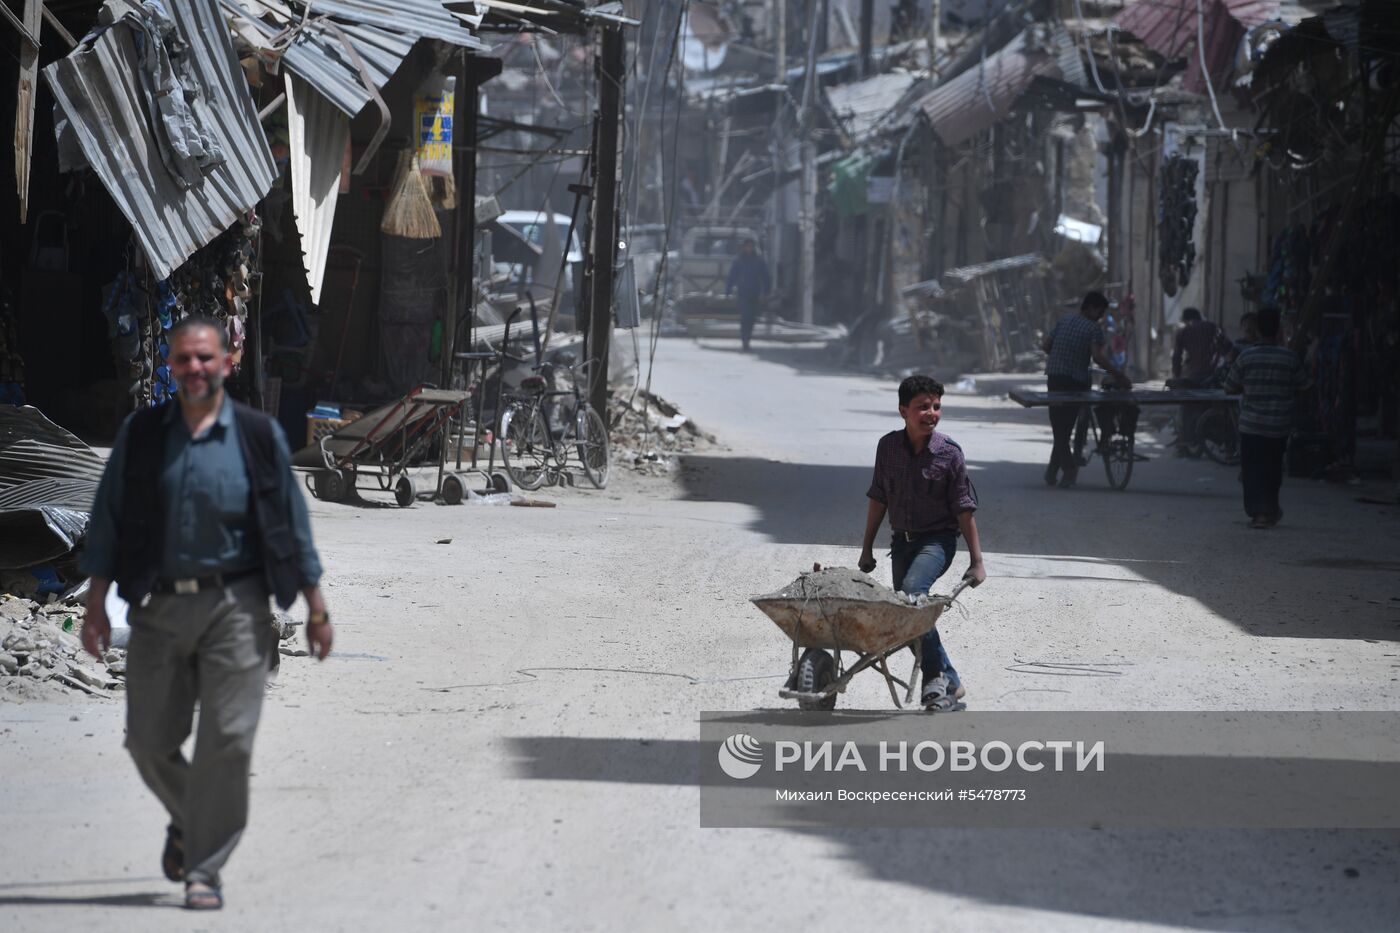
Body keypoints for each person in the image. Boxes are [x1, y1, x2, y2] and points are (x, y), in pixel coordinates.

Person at [80, 315, 332, 911]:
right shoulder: (143, 434)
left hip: (238, 607)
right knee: (147, 741)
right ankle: (192, 815)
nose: (194, 368)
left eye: (205, 358)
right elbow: (108, 520)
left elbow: (292, 522)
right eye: (184, 358)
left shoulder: (256, 435)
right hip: (159, 605)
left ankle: (204, 868)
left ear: (226, 362)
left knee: (230, 740)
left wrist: (316, 607)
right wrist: (95, 605)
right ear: (170, 365)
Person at [858, 375, 986, 711]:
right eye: (923, 407)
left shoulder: (949, 453)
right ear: (903, 411)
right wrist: (866, 548)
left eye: (936, 406)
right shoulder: (888, 447)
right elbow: (878, 497)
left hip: (937, 542)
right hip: (901, 543)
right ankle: (952, 680)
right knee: (909, 614)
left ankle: (934, 679)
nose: (931, 413)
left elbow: (963, 508)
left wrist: (977, 561)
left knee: (913, 593)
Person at [1224, 306, 1309, 528]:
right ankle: (1270, 510)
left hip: (1251, 425)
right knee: (1272, 468)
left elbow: (1229, 387)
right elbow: (1305, 387)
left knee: (1252, 470)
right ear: (1278, 329)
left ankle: (1259, 513)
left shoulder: (1246, 357)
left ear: (1258, 330)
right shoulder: (1290, 358)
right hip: (1278, 425)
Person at [1041, 291, 1131, 487]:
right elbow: (1097, 357)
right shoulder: (1093, 329)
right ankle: (1069, 468)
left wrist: (1061, 355)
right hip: (1075, 383)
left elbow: (1046, 346)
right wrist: (1118, 375)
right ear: (1090, 308)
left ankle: (1052, 472)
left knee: (1059, 428)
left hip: (1055, 378)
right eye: (1100, 312)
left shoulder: (1064, 320)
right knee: (1064, 429)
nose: (1101, 316)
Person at [725, 239, 770, 352]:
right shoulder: (739, 260)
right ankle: (744, 340)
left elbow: (766, 276)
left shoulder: (758, 260)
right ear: (744, 247)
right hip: (743, 292)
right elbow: (732, 276)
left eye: (751, 246)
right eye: (747, 246)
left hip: (755, 291)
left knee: (752, 318)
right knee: (745, 316)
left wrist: (766, 292)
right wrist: (728, 291)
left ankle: (748, 338)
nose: (749, 248)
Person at [1172, 307, 1230, 382]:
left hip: (1191, 373)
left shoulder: (1182, 332)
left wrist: (1176, 375)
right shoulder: (1213, 327)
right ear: (1199, 317)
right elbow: (1226, 347)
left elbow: (1177, 356)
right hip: (1212, 372)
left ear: (1185, 319)